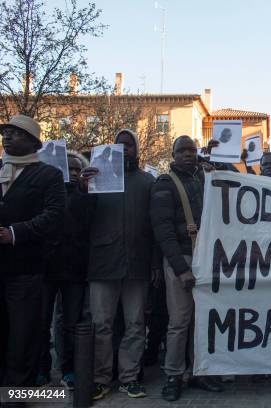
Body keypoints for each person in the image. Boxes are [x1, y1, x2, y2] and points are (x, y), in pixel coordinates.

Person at [81, 129, 160, 401]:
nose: (125, 149)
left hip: (137, 265)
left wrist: (154, 264)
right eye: (120, 145)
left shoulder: (148, 182)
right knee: (101, 324)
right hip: (103, 264)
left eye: (129, 145)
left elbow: (155, 227)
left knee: (136, 324)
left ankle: (129, 377)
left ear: (137, 150)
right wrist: (84, 190)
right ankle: (100, 378)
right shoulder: (96, 181)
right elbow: (80, 221)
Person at [150, 136, 223, 401]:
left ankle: (198, 372)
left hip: (207, 260)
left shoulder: (206, 178)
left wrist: (213, 161)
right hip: (181, 259)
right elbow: (163, 231)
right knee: (180, 322)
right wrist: (181, 269)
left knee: (202, 321)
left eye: (192, 150)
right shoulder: (165, 183)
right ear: (173, 154)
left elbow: (237, 182)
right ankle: (173, 374)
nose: (187, 155)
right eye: (182, 151)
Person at [0, 115, 65, 388]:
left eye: (14, 133)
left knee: (22, 337)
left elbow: (54, 216)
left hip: (26, 270)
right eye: (5, 132)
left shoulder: (49, 175)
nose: (7, 137)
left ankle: (17, 393)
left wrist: (15, 233)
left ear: (31, 141)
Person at [37, 151, 91, 390]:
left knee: (71, 322)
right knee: (41, 322)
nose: (74, 173)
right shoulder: (46, 193)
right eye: (69, 169)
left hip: (74, 269)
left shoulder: (86, 195)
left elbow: (88, 222)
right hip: (46, 267)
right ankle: (41, 369)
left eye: (78, 169)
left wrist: (84, 191)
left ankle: (68, 368)